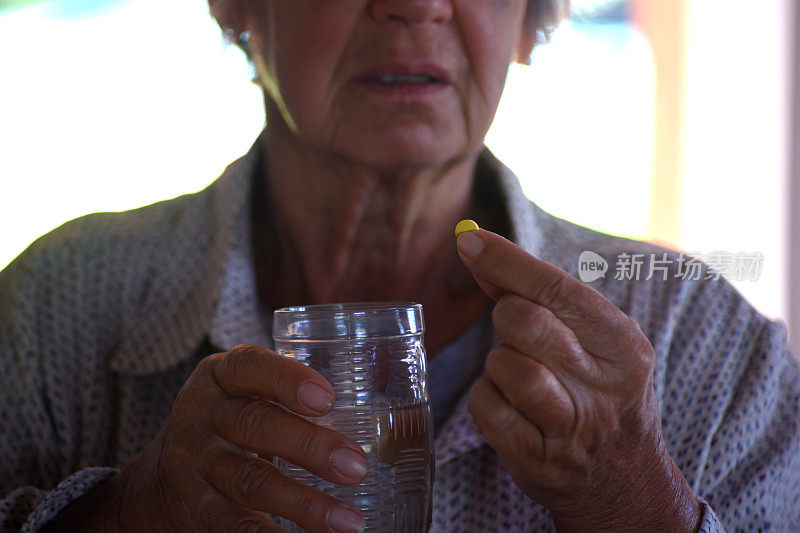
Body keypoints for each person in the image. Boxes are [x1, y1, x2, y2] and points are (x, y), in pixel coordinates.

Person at [1, 0, 798, 531]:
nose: (417, 4)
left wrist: (636, 497)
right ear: (237, 3)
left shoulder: (705, 350)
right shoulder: (54, 311)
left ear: (528, 20)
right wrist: (125, 511)